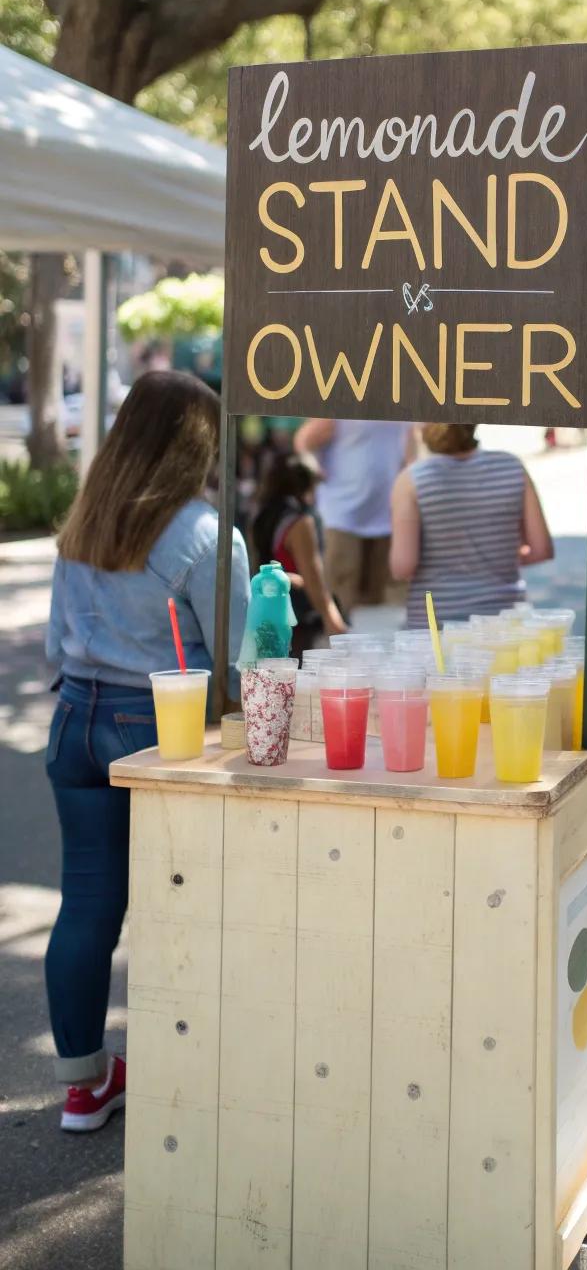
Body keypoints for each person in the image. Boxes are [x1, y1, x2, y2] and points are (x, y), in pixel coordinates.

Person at [44, 370, 250, 1131]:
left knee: (86, 908)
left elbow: (54, 645)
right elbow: (241, 666)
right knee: (182, 905)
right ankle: (186, 1075)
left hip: (76, 718)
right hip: (163, 728)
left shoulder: (85, 521)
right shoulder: (207, 535)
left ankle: (82, 1084)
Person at [389, 423, 554, 625]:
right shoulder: (511, 466)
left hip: (435, 623)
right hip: (505, 621)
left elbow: (403, 567)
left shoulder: (411, 480)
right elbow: (542, 549)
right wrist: (495, 559)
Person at [294, 418, 415, 618]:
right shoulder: (344, 403)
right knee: (341, 599)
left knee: (381, 605)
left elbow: (409, 449)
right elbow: (304, 440)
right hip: (341, 517)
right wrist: (313, 470)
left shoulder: (403, 404)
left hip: (386, 516)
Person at [250, 451, 347, 655]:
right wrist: (332, 618)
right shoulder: (300, 523)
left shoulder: (262, 515)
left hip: (266, 614)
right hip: (297, 621)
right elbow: (313, 579)